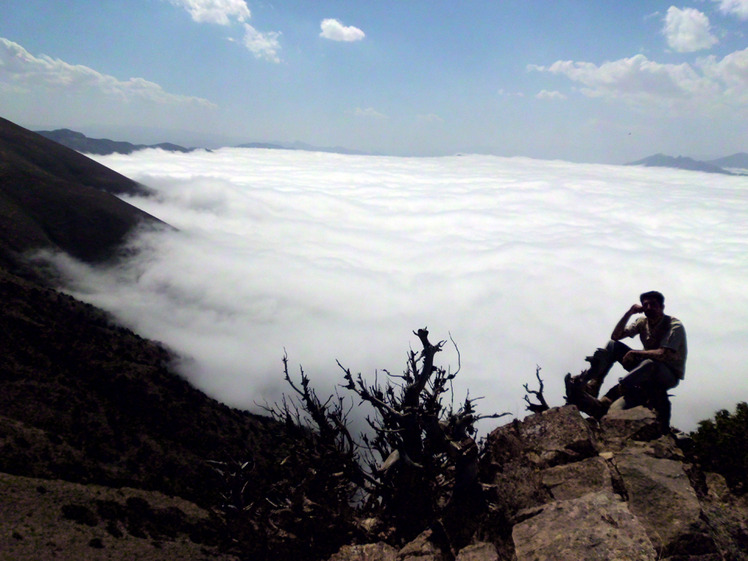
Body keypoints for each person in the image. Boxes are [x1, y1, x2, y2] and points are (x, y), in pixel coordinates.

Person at [565, 290, 687, 432]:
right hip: (644, 367)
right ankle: (594, 384)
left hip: (667, 374)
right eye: (645, 305)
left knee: (650, 364)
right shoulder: (642, 323)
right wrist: (629, 313)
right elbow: (616, 336)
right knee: (612, 346)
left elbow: (663, 354)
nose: (648, 308)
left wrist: (635, 352)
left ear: (661, 307)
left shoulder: (673, 325)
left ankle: (619, 389)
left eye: (653, 304)